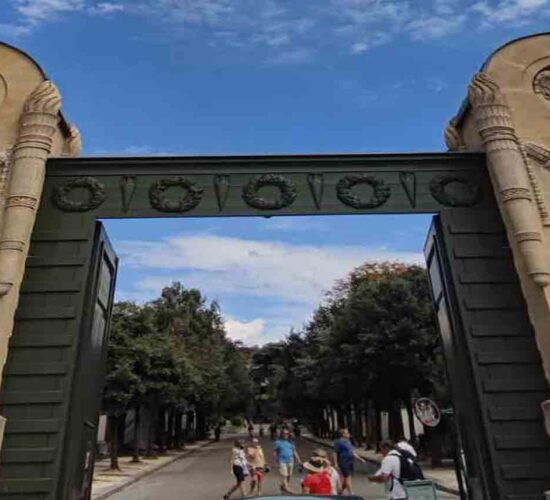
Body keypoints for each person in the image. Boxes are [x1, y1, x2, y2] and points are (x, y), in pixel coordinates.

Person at [333, 428, 367, 495]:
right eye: (347, 433)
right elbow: (335, 453)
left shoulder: (349, 442)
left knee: (348, 477)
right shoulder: (338, 442)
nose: (349, 434)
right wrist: (335, 463)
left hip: (350, 461)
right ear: (343, 434)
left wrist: (360, 459)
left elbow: (352, 452)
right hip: (343, 461)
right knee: (347, 477)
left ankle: (340, 491)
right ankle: (351, 492)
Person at [274, 428, 301, 493]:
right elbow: (275, 451)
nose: (285, 435)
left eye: (287, 433)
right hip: (282, 460)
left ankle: (284, 486)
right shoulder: (278, 442)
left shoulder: (291, 442)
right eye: (284, 433)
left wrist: (298, 459)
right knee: (284, 475)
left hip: (290, 460)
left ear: (288, 434)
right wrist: (276, 460)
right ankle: (287, 488)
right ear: (281, 434)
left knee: (289, 475)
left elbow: (294, 451)